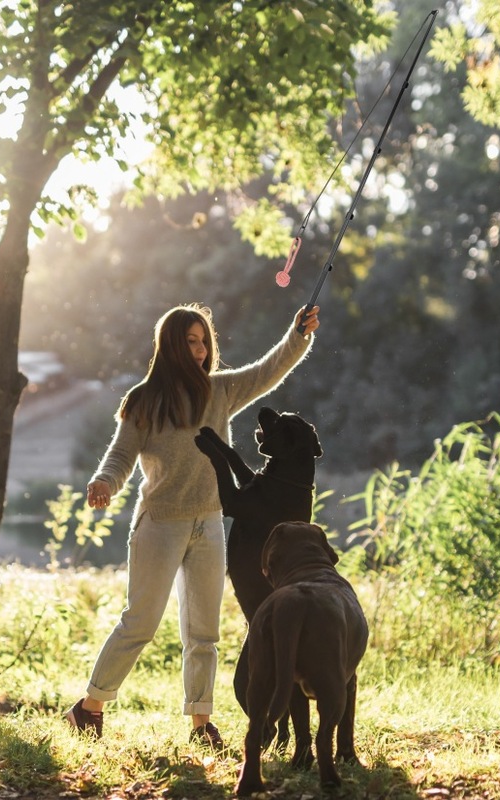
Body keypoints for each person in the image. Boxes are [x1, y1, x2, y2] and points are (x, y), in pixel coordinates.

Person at [66, 302, 320, 747]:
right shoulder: (144, 401)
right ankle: (89, 707)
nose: (201, 350)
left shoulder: (220, 391)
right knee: (139, 623)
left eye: (205, 341)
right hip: (159, 525)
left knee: (204, 632)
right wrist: (104, 481)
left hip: (209, 524)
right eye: (191, 341)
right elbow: (121, 455)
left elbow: (268, 369)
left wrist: (298, 334)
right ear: (171, 345)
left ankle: (201, 723)